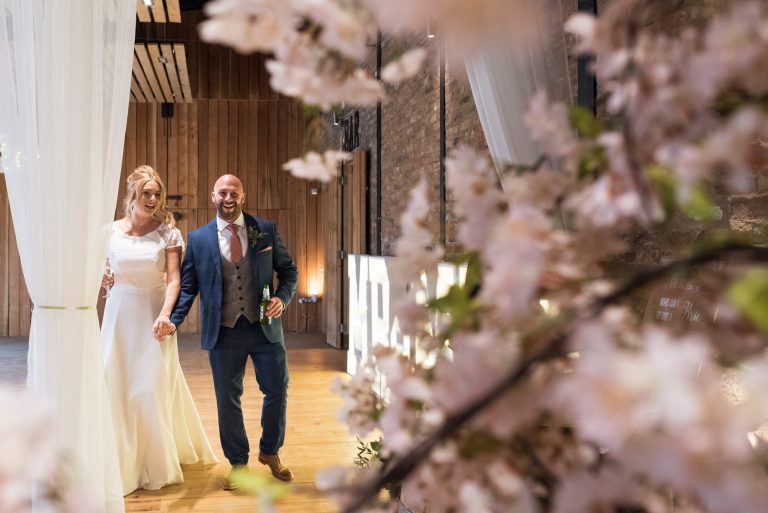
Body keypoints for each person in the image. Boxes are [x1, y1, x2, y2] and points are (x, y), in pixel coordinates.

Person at [161, 174, 298, 489]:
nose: (228, 197)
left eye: (233, 191)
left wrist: (282, 297)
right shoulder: (198, 239)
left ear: (243, 195)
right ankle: (238, 463)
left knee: (277, 390)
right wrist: (173, 319)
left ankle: (270, 451)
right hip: (223, 332)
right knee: (228, 399)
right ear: (213, 196)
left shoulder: (265, 230)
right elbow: (188, 288)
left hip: (265, 328)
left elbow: (289, 271)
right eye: (222, 192)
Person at [101, 165, 218, 495]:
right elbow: (102, 267)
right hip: (119, 313)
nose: (152, 199)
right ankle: (118, 455)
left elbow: (175, 279)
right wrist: (103, 276)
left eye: (156, 193)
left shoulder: (168, 233)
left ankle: (154, 458)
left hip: (154, 313)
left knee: (150, 386)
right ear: (132, 196)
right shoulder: (109, 231)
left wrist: (166, 316)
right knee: (116, 380)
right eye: (146, 193)